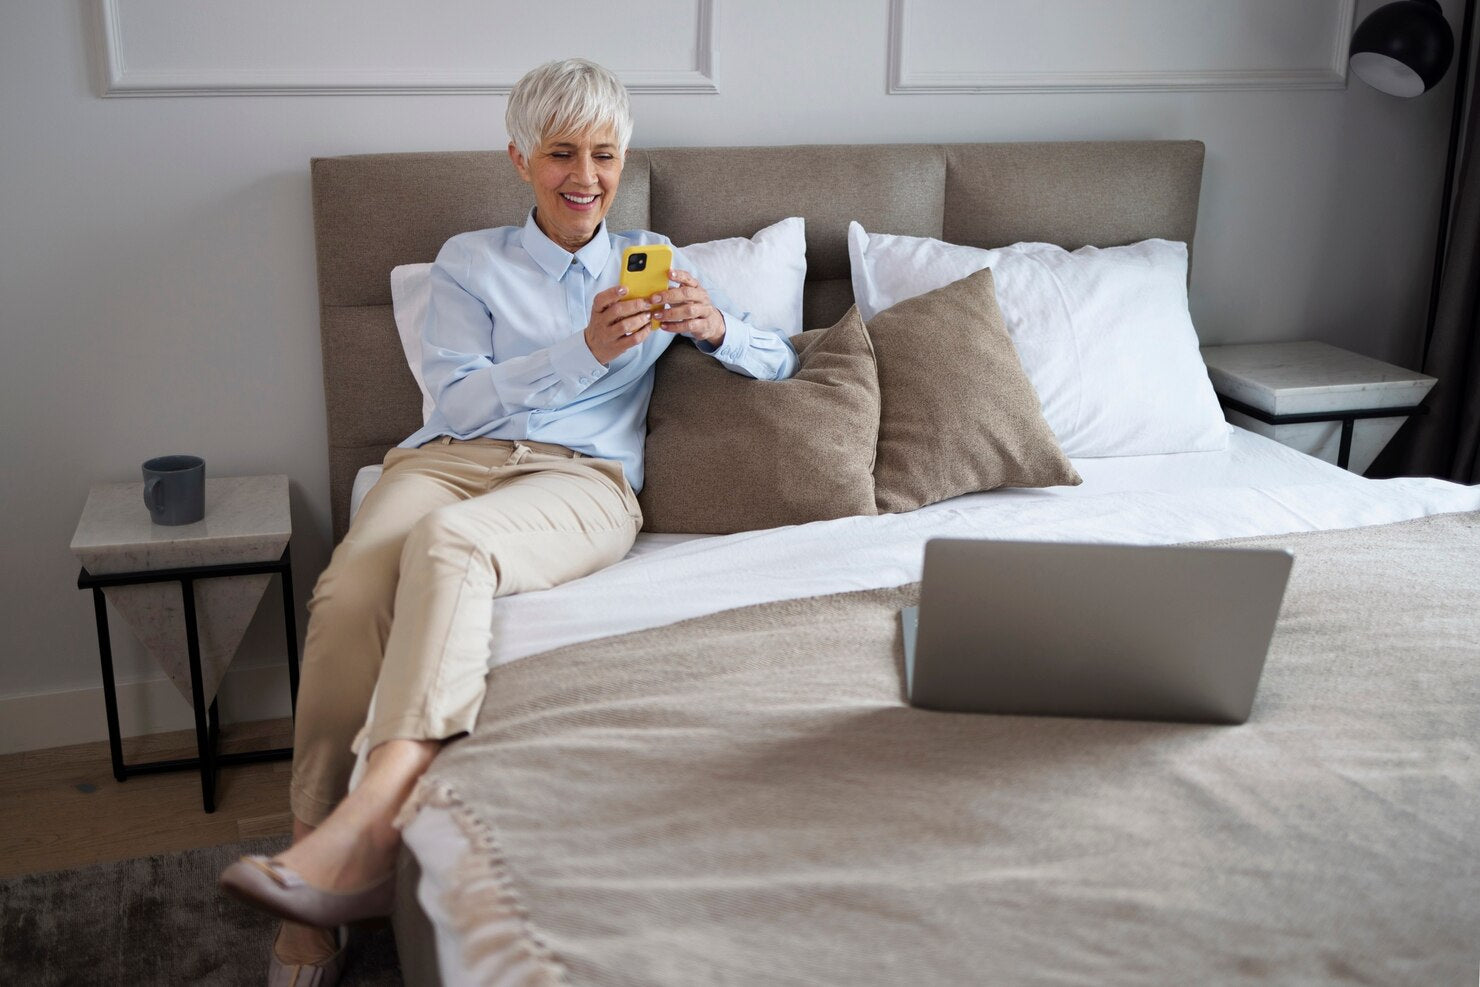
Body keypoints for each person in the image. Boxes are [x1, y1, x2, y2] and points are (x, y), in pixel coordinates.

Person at [219, 57, 797, 983]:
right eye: (562, 152)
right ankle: (310, 863)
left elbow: (782, 365)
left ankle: (368, 826)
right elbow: (456, 400)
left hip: (584, 479)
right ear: (520, 157)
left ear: (624, 159)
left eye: (604, 154)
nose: (585, 176)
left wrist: (716, 326)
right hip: (449, 457)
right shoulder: (469, 261)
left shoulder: (655, 258)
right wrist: (579, 352)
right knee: (352, 585)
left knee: (451, 550)